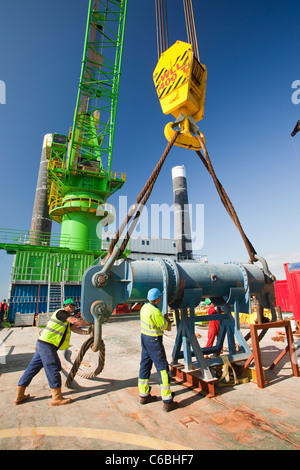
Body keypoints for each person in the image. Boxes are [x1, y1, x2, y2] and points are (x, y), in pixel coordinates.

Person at [14, 298, 90, 406]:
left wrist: (87, 333)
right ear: (68, 306)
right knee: (53, 368)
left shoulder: (66, 319)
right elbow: (75, 321)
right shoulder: (61, 313)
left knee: (31, 369)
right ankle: (56, 398)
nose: (74, 309)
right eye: (73, 306)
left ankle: (19, 396)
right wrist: (91, 321)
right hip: (47, 345)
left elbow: (75, 328)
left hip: (43, 344)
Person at [138, 288, 179, 412]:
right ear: (157, 299)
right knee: (162, 368)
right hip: (154, 341)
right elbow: (165, 327)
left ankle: (144, 395)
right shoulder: (155, 312)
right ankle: (167, 401)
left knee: (145, 365)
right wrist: (167, 320)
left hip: (144, 339)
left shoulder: (144, 308)